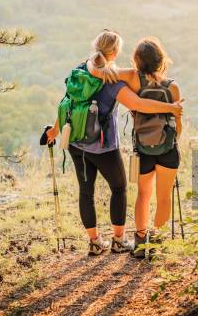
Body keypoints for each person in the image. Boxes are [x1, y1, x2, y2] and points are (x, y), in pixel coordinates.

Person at [46, 31, 183, 256]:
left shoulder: (82, 70)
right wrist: (171, 109)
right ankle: (122, 240)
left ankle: (95, 242)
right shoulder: (115, 82)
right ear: (116, 52)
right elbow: (140, 104)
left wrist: (56, 129)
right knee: (119, 188)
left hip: (76, 142)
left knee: (87, 192)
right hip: (103, 147)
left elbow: (68, 102)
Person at [87, 36, 182, 258]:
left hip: (142, 148)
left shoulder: (131, 77)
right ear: (161, 60)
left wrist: (94, 57)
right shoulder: (173, 87)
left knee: (143, 195)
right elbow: (178, 126)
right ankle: (155, 242)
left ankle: (140, 244)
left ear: (136, 60)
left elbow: (95, 71)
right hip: (168, 148)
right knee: (164, 197)